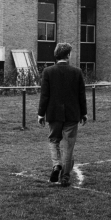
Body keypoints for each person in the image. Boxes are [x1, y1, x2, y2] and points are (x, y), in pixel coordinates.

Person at [38, 43, 88, 187]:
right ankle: (65, 177)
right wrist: (84, 113)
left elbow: (44, 95)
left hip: (53, 114)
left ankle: (56, 165)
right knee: (68, 146)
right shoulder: (77, 72)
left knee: (54, 140)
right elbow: (81, 95)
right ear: (67, 55)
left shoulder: (47, 71)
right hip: (72, 114)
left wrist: (41, 114)